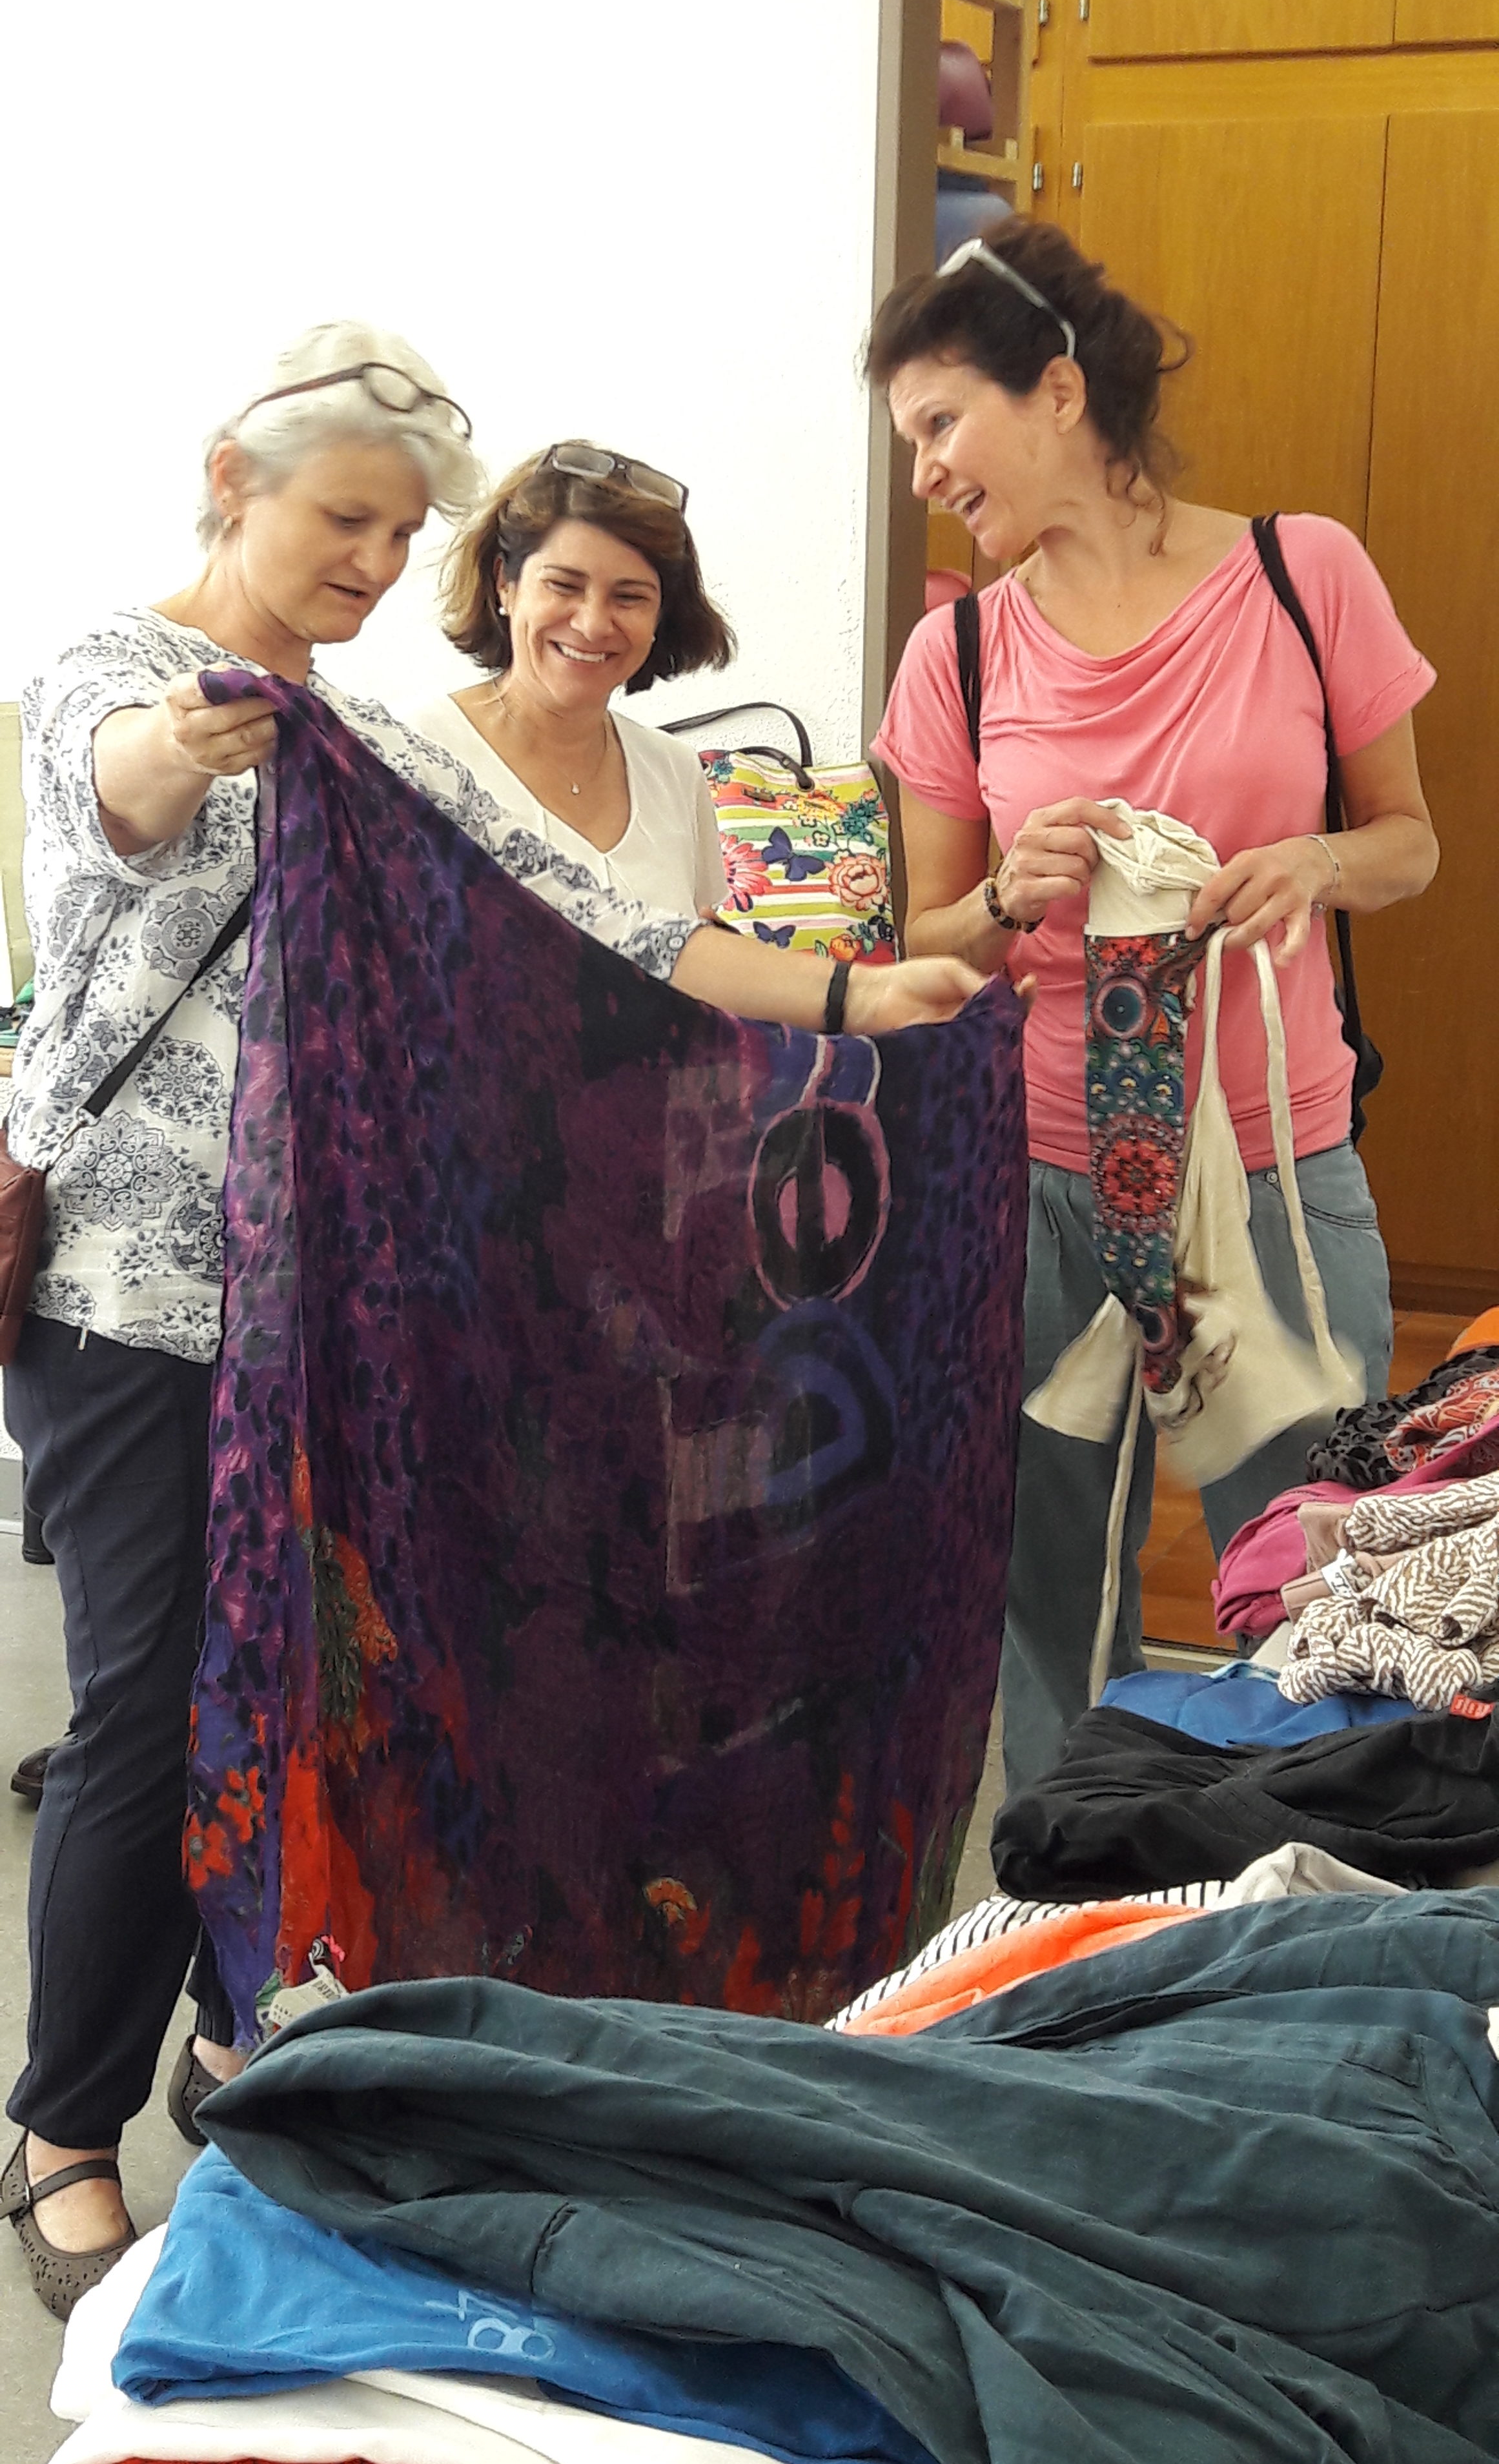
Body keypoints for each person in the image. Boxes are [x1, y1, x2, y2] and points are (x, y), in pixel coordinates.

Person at [1, 326, 980, 2317]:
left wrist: (858, 999)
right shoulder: (122, 675)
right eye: (345, 521)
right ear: (234, 480)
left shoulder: (355, 737)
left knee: (300, 1687)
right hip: (132, 1301)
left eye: (398, 532)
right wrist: (186, 743)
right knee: (149, 1706)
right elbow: (114, 792)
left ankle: (234, 2039)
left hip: (318, 1310)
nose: (374, 563)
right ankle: (59, 2138)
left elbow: (595, 908)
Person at [865, 218, 1439, 1795]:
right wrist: (1005, 896)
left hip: (1276, 1172)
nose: (922, 472)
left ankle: (1303, 1881)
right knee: (1051, 1603)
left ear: (1056, 391)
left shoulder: (1300, 573)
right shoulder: (956, 650)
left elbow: (1411, 842)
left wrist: (1316, 859)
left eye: (938, 424)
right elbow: (923, 942)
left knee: (1323, 1579)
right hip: (1045, 1186)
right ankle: (1070, 1874)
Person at [412, 443, 732, 919]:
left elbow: (698, 947)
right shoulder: (415, 752)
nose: (592, 624)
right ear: (505, 584)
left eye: (629, 597)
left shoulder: (676, 772)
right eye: (563, 585)